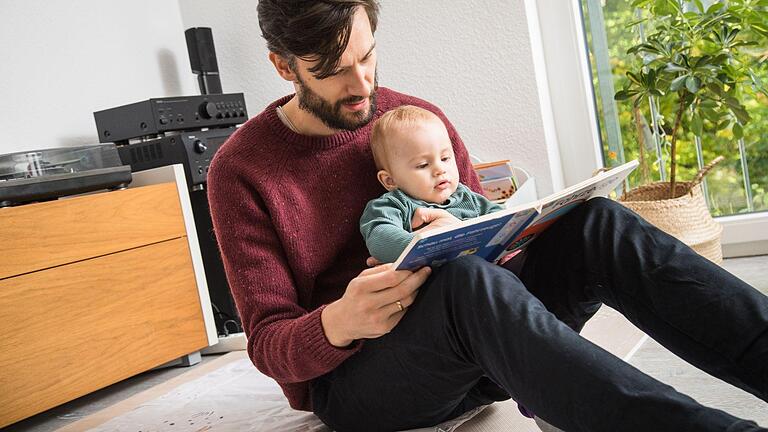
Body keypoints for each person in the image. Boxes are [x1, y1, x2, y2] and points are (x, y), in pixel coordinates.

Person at [206, 1, 768, 431]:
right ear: (283, 66)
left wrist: (524, 229)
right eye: (332, 70)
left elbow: (493, 239)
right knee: (466, 283)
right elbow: (267, 344)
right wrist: (340, 322)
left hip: (485, 345)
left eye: (368, 55)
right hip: (361, 382)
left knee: (600, 223)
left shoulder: (415, 120)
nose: (361, 85)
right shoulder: (240, 171)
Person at [360, 105, 503, 264]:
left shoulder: (466, 196)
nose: (440, 170)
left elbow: (503, 220)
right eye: (422, 165)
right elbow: (380, 238)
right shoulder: (394, 205)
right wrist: (428, 244)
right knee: (468, 266)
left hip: (489, 272)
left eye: (445, 158)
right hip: (443, 280)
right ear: (390, 180)